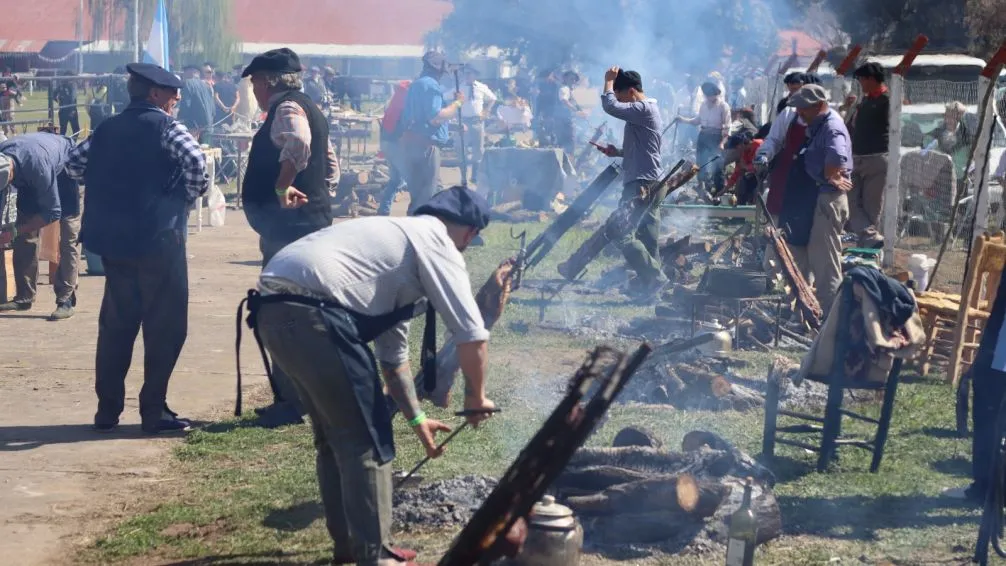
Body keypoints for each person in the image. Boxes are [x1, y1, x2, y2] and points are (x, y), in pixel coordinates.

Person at [251, 186, 497, 565]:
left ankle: (351, 548)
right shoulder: (434, 240)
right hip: (314, 311)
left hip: (272, 311)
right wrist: (475, 398)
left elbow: (394, 360)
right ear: (469, 232)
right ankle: (375, 556)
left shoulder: (393, 249)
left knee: (335, 440)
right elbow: (472, 332)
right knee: (366, 438)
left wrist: (417, 420)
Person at [65, 62, 209, 434]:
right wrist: (182, 198)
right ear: (155, 95)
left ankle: (107, 410)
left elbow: (73, 165)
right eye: (173, 94)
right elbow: (197, 163)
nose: (177, 99)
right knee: (165, 326)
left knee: (116, 326)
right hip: (158, 239)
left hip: (114, 242)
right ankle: (153, 410)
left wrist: (114, 186)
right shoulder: (166, 126)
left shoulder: (108, 128)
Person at [240, 47, 341, 427]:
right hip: (306, 226)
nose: (253, 90)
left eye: (254, 83)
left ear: (267, 82)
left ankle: (293, 401)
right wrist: (320, 198)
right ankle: (296, 396)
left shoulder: (287, 110)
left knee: (284, 316)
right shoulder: (309, 106)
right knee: (299, 314)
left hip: (290, 232)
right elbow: (331, 164)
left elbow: (298, 142)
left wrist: (284, 189)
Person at [778, 84, 853, 311]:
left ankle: (830, 318)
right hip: (817, 197)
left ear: (819, 105)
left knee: (825, 264)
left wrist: (831, 175)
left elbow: (837, 155)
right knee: (809, 257)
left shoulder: (831, 127)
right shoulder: (818, 125)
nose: (800, 113)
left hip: (828, 199)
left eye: (804, 108)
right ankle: (808, 311)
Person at [596, 67, 665, 297]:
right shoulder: (648, 110)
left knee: (621, 232)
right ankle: (651, 293)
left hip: (641, 184)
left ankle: (656, 279)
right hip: (652, 180)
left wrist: (608, 82)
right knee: (648, 238)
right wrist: (618, 152)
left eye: (621, 96)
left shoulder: (643, 108)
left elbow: (609, 106)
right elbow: (644, 149)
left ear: (632, 91)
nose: (621, 102)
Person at [0, 132, 82, 320]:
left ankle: (65, 299)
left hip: (63, 170)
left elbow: (53, 212)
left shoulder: (39, 167)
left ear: (10, 174)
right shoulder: (3, 154)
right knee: (24, 230)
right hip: (29, 174)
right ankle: (24, 296)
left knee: (68, 235)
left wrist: (13, 231)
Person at [398, 51, 463, 213]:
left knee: (430, 192)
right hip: (425, 146)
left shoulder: (418, 84)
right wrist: (457, 104)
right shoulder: (430, 85)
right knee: (425, 198)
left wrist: (452, 127)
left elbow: (420, 118)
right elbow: (435, 117)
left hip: (413, 144)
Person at [845, 62, 890, 249]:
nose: (860, 83)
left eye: (862, 79)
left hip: (877, 157)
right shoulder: (865, 100)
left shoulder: (887, 101)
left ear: (871, 79)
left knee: (872, 206)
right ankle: (870, 236)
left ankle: (868, 249)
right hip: (857, 157)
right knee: (850, 199)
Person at [679, 81, 730, 195]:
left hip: (716, 137)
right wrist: (683, 120)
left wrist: (722, 142)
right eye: (706, 95)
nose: (708, 97)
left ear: (716, 93)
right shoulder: (703, 105)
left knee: (718, 165)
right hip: (703, 136)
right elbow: (697, 121)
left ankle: (719, 191)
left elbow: (727, 127)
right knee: (700, 163)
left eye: (710, 95)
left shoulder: (723, 106)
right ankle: (703, 188)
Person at [452, 66, 497, 184]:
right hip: (463, 122)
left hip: (477, 121)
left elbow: (493, 98)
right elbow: (446, 97)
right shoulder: (459, 88)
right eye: (465, 74)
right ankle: (463, 177)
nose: (467, 76)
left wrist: (486, 111)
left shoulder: (481, 87)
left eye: (469, 74)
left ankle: (475, 176)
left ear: (474, 75)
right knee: (461, 149)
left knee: (479, 150)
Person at [377, 80, 412, 216]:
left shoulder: (392, 104)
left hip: (387, 144)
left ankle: (384, 210)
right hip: (396, 145)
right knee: (412, 178)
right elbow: (405, 128)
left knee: (396, 180)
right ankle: (416, 211)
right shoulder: (404, 106)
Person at [178, 65, 215, 143]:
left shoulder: (187, 83)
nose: (183, 75)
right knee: (207, 152)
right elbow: (213, 109)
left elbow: (185, 105)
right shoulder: (207, 86)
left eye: (184, 73)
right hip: (208, 126)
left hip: (194, 127)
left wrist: (179, 120)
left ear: (189, 72)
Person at [724, 130, 763, 205]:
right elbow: (737, 172)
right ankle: (739, 213)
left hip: (764, 176)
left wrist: (746, 167)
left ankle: (755, 209)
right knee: (741, 182)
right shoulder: (743, 152)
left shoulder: (759, 145)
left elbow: (760, 165)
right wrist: (725, 189)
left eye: (735, 149)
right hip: (753, 176)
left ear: (740, 145)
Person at [554, 71, 584, 158]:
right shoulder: (564, 89)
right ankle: (566, 165)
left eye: (574, 79)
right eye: (571, 78)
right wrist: (576, 110)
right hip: (562, 121)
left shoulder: (572, 91)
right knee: (566, 143)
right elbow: (564, 101)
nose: (573, 81)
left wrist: (580, 111)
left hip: (568, 120)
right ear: (565, 79)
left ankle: (568, 165)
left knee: (569, 144)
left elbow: (575, 104)